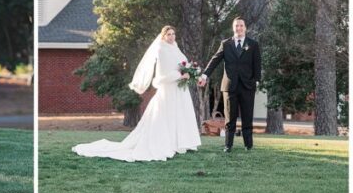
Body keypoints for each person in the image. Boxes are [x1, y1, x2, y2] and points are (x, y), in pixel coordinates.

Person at [72, 26, 202, 162]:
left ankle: (180, 143)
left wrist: (193, 74)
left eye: (173, 34)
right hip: (168, 91)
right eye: (168, 34)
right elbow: (160, 77)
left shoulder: (176, 49)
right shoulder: (161, 50)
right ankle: (166, 143)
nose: (171, 36)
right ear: (163, 36)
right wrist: (180, 75)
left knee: (179, 115)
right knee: (167, 117)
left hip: (179, 91)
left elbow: (185, 66)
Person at [198, 16, 261, 152]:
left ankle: (248, 145)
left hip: (247, 86)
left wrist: (257, 81)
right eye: (236, 26)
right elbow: (215, 60)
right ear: (233, 28)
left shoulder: (253, 44)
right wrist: (204, 75)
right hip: (229, 87)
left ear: (245, 28)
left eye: (241, 25)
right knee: (229, 118)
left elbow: (257, 64)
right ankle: (228, 145)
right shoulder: (226, 44)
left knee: (247, 117)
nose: (239, 28)